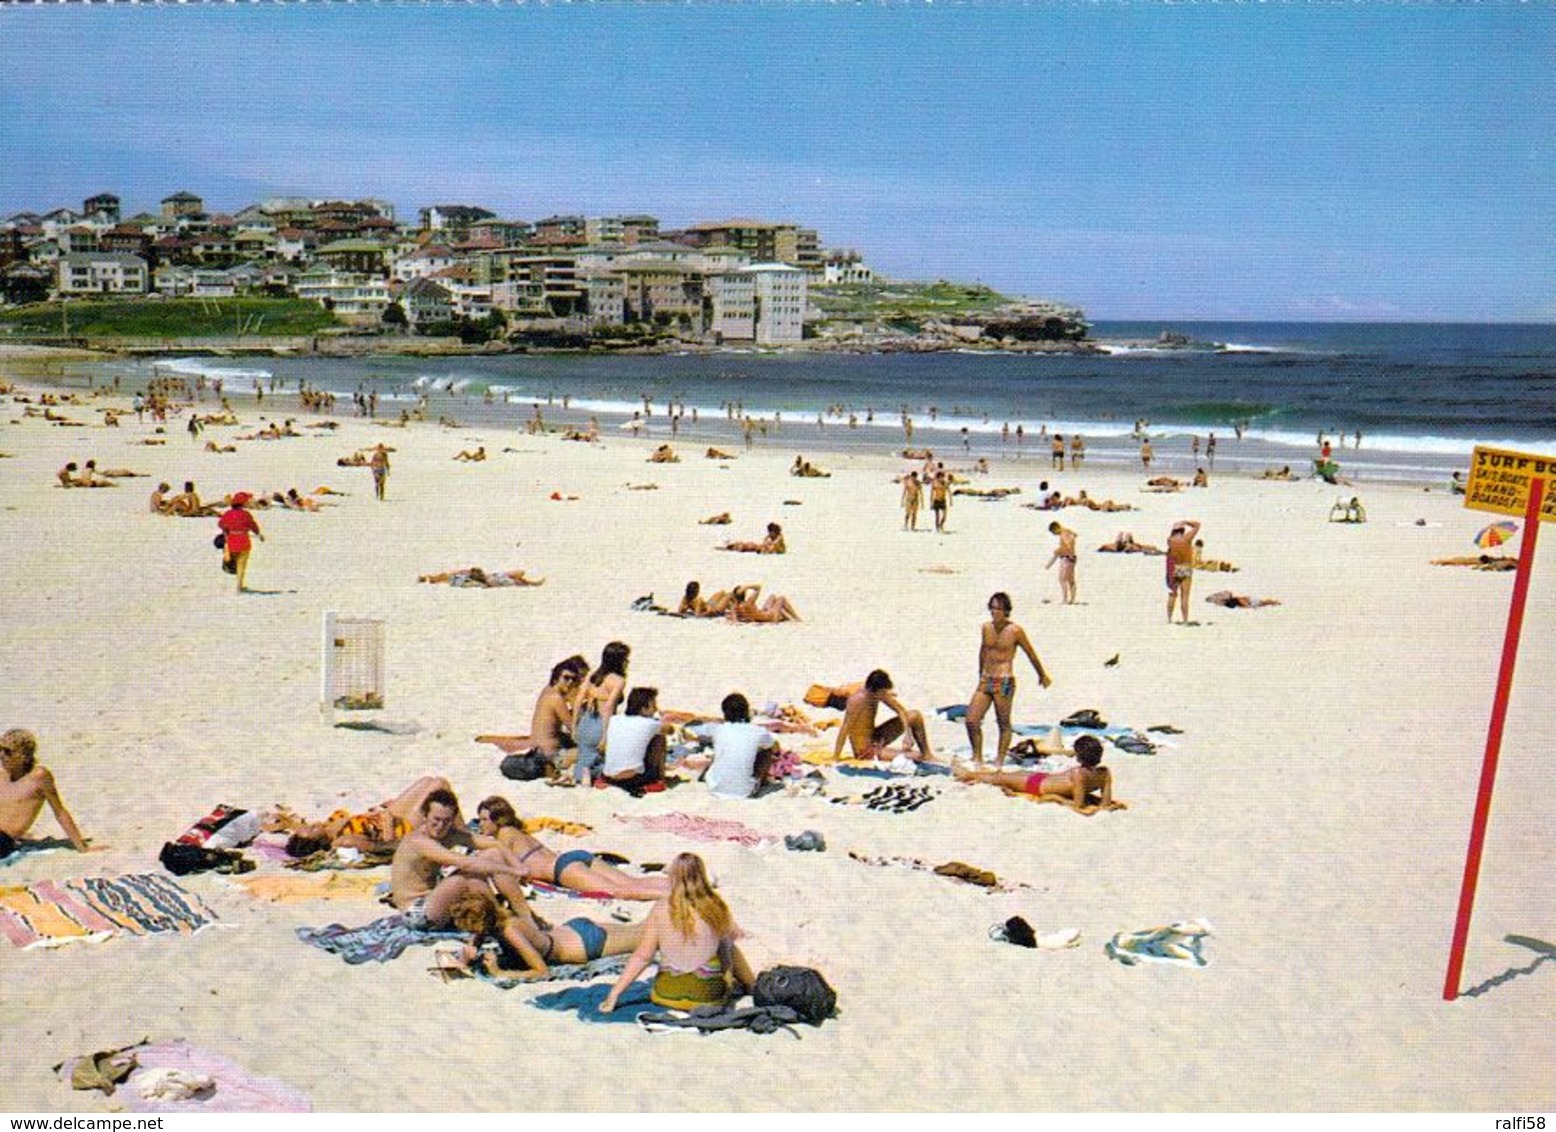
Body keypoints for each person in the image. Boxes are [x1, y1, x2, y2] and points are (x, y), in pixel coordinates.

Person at [600, 852, 756, 1013]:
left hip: (666, 996)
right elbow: (734, 937)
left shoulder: (660, 908)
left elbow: (643, 957)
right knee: (727, 944)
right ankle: (751, 986)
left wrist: (614, 995)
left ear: (672, 877)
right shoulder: (714, 905)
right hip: (708, 999)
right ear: (701, 875)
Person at [473, 796, 669, 900]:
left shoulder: (503, 837)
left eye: (483, 820)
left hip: (562, 869)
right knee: (632, 882)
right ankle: (677, 887)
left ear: (498, 820)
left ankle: (670, 897)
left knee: (618, 892)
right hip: (573, 857)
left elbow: (506, 866)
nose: (481, 824)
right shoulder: (518, 832)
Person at [387, 788, 529, 929]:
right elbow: (467, 864)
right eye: (436, 820)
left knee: (492, 854)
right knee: (469, 876)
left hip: (436, 903)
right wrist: (513, 871)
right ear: (425, 816)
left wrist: (521, 868)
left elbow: (495, 844)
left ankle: (526, 916)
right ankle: (502, 922)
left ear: (453, 820)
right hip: (416, 913)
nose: (440, 826)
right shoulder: (419, 841)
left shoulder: (449, 834)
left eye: (446, 821)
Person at [447, 886, 646, 978]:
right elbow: (481, 931)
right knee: (644, 928)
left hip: (584, 945)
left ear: (481, 923)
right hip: (572, 931)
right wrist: (472, 946)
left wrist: (500, 972)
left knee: (653, 935)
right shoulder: (502, 917)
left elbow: (542, 971)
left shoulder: (510, 933)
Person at [964, 593, 1052, 767]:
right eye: (993, 608)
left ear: (1006, 611)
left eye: (999, 609)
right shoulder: (986, 628)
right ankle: (977, 757)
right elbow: (983, 651)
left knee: (1003, 722)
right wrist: (980, 673)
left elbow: (1030, 653)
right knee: (971, 720)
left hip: (1004, 680)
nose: (995, 612)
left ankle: (999, 760)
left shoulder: (1015, 631)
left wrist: (1041, 674)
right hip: (986, 679)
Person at [269, 775, 451, 857]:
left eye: (305, 829)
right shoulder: (344, 840)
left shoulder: (326, 826)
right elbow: (385, 846)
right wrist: (388, 823)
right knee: (439, 784)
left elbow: (293, 827)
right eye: (309, 831)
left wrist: (381, 810)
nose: (309, 827)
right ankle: (464, 836)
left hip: (388, 814)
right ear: (318, 843)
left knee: (427, 781)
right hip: (403, 827)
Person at [953, 734, 1124, 815]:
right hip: (1041, 779)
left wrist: (1055, 797)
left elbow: (1078, 805)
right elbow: (1105, 803)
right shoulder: (1105, 773)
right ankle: (971, 774)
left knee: (1000, 778)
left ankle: (967, 773)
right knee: (1004, 776)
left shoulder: (1079, 774)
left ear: (1079, 755)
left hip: (1038, 784)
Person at [0, 729, 91, 856]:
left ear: (24, 755)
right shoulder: (2, 775)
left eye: (8, 751)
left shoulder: (39, 776)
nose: (2, 755)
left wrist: (82, 847)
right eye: (0, 749)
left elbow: (60, 812)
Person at [682, 693, 779, 799]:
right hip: (744, 791)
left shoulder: (717, 729)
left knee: (721, 751)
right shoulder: (758, 731)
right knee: (766, 751)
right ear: (746, 711)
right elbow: (775, 747)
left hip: (714, 787)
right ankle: (762, 780)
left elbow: (689, 732)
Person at [834, 669, 935, 762]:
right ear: (876, 690)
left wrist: (907, 734)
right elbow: (845, 729)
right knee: (916, 756)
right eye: (883, 691)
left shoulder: (877, 692)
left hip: (876, 736)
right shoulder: (857, 701)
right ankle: (920, 755)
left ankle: (927, 754)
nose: (885, 694)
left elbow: (900, 710)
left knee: (915, 715)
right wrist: (836, 757)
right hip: (865, 750)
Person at [573, 642, 629, 784]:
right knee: (613, 764)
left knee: (585, 758)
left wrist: (574, 726)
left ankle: (583, 773)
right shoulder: (618, 681)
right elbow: (609, 707)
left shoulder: (593, 676)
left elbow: (578, 700)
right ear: (619, 661)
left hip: (585, 723)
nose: (627, 662)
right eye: (625, 659)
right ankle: (592, 773)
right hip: (600, 725)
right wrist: (605, 735)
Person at [599, 687, 670, 794]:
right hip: (633, 780)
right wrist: (663, 718)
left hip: (608, 777)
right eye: (653, 706)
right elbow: (670, 730)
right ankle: (658, 779)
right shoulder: (650, 724)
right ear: (643, 708)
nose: (655, 709)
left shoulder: (615, 719)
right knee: (659, 738)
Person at [526, 660, 581, 774]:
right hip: (552, 756)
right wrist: (576, 704)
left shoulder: (547, 692)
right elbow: (574, 729)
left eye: (573, 679)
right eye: (566, 678)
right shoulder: (556, 699)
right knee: (592, 752)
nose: (570, 682)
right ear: (556, 678)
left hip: (538, 750)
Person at [217, 492, 264, 593]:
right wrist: (259, 534)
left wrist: (227, 530)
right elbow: (253, 526)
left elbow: (221, 524)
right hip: (243, 540)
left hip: (232, 540)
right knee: (241, 565)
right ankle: (239, 586)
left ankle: (231, 584)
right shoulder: (246, 514)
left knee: (231, 562)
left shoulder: (228, 514)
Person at [1165, 519, 1201, 624]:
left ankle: (1169, 618)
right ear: (1182, 530)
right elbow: (1198, 525)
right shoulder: (1186, 538)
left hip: (1175, 568)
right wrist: (1186, 522)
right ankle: (1185, 620)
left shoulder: (1170, 540)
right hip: (1186, 568)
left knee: (1173, 593)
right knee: (1185, 596)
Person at [728, 585, 801, 624]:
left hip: (763, 613)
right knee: (781, 599)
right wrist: (747, 587)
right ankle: (797, 618)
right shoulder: (748, 603)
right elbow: (758, 587)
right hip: (769, 617)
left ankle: (785, 616)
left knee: (772, 596)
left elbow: (734, 620)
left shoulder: (734, 606)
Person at [1046, 521, 1079, 604]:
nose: (1054, 534)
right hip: (1070, 558)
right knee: (1070, 579)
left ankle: (1066, 599)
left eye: (1054, 532)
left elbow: (1068, 546)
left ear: (1056, 528)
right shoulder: (1067, 532)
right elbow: (1074, 536)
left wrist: (1058, 550)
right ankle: (1072, 598)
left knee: (1063, 579)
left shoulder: (1064, 534)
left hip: (1067, 558)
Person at [720, 522, 785, 554]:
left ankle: (732, 546)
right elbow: (765, 542)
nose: (769, 533)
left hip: (768, 549)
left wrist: (767, 544)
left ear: (774, 531)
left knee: (750, 546)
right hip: (763, 547)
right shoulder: (771, 536)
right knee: (749, 545)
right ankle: (731, 545)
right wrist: (766, 542)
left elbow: (774, 545)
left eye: (770, 532)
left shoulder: (779, 537)